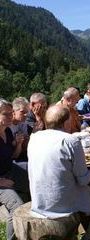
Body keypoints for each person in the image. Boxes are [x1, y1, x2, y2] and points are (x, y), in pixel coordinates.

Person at [27, 105, 90, 240]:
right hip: (62, 204)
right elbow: (84, 180)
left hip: (40, 200)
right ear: (66, 122)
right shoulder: (70, 140)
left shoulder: (34, 138)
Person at [0, 98, 29, 240]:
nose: (11, 116)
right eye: (6, 114)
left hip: (9, 170)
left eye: (11, 113)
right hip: (0, 180)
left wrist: (18, 144)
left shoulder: (7, 131)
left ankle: (33, 228)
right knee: (17, 207)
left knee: (35, 173)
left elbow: (13, 156)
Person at [10, 97, 31, 162]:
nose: (26, 115)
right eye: (22, 112)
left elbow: (25, 146)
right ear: (13, 111)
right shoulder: (6, 126)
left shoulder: (23, 123)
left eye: (27, 112)